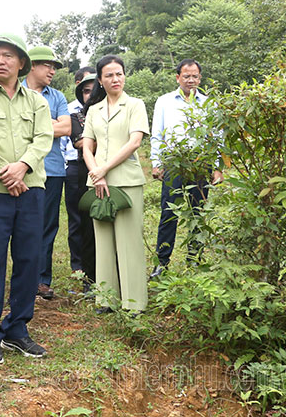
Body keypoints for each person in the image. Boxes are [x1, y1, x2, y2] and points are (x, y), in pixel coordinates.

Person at [0, 33, 53, 366]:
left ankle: (17, 329)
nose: (0, 60)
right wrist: (7, 173)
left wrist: (22, 168)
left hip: (31, 189)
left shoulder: (36, 102)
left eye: (7, 55)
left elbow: (43, 138)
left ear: (21, 63)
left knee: (29, 259)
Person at [81, 55, 150, 313]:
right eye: (109, 75)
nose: (115, 79)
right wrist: (95, 174)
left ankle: (134, 303)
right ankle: (106, 299)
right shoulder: (93, 110)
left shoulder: (135, 105)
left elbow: (134, 142)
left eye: (119, 73)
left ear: (125, 76)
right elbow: (87, 147)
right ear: (100, 79)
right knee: (103, 241)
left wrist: (103, 170)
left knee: (129, 241)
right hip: (98, 183)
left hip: (127, 181)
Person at [150, 59, 222, 278]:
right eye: (187, 76)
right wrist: (156, 162)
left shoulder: (209, 103)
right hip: (174, 162)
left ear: (200, 78)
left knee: (198, 213)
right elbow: (157, 134)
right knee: (169, 213)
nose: (191, 80)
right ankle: (162, 263)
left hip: (201, 163)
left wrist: (217, 167)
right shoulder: (164, 102)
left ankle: (195, 261)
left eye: (195, 76)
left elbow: (216, 137)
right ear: (178, 77)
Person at [22, 46, 70, 301]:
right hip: (21, 169)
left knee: (47, 226)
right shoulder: (14, 90)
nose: (52, 70)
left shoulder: (58, 97)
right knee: (21, 227)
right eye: (47, 65)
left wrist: (32, 123)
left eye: (54, 66)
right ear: (31, 65)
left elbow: (66, 127)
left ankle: (42, 280)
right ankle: (22, 279)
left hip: (51, 170)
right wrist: (49, 125)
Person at [61, 67, 97, 294]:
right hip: (78, 168)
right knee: (79, 221)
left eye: (94, 90)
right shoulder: (74, 114)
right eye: (86, 91)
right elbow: (78, 142)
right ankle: (81, 269)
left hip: (108, 169)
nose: (90, 95)